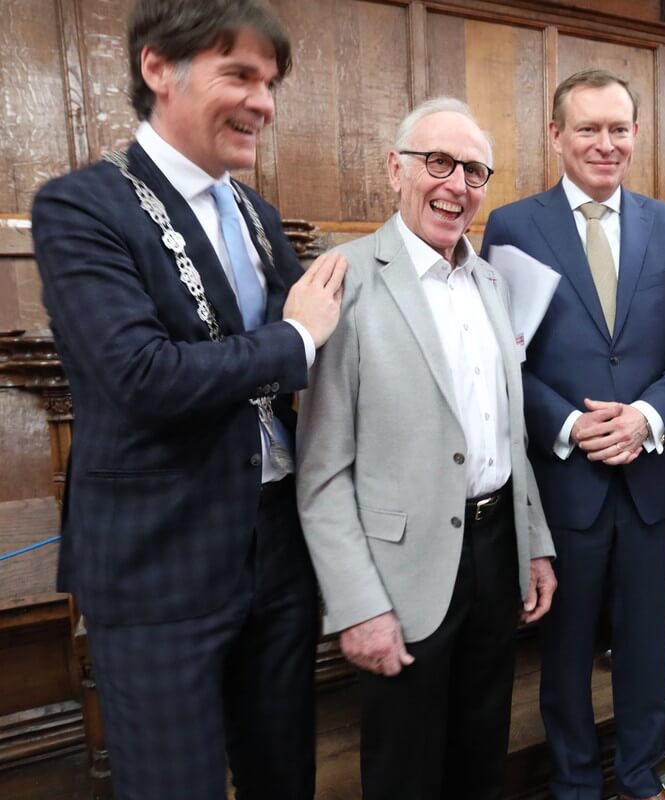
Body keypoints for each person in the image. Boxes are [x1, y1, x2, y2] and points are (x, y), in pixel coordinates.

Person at [30, 1, 347, 798]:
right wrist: (295, 340)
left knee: (285, 776)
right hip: (158, 558)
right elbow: (139, 375)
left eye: (269, 82)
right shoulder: (81, 207)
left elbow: (320, 342)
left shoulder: (259, 215)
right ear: (157, 69)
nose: (264, 102)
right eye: (239, 74)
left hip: (275, 548)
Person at [295, 97, 556, 800]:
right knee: (405, 771)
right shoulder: (341, 281)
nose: (457, 185)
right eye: (438, 162)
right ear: (395, 169)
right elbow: (321, 473)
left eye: (475, 171)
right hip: (401, 576)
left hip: (495, 554)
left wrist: (534, 544)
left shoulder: (492, 280)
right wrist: (356, 605)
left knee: (481, 755)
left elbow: (510, 433)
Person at [481, 69, 665, 800]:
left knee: (646, 644)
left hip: (646, 474)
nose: (605, 144)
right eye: (588, 128)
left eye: (619, 129)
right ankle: (576, 784)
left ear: (637, 135)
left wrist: (644, 418)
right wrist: (572, 422)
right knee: (568, 647)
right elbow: (499, 352)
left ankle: (642, 777)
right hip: (565, 481)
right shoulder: (515, 226)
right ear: (556, 135)